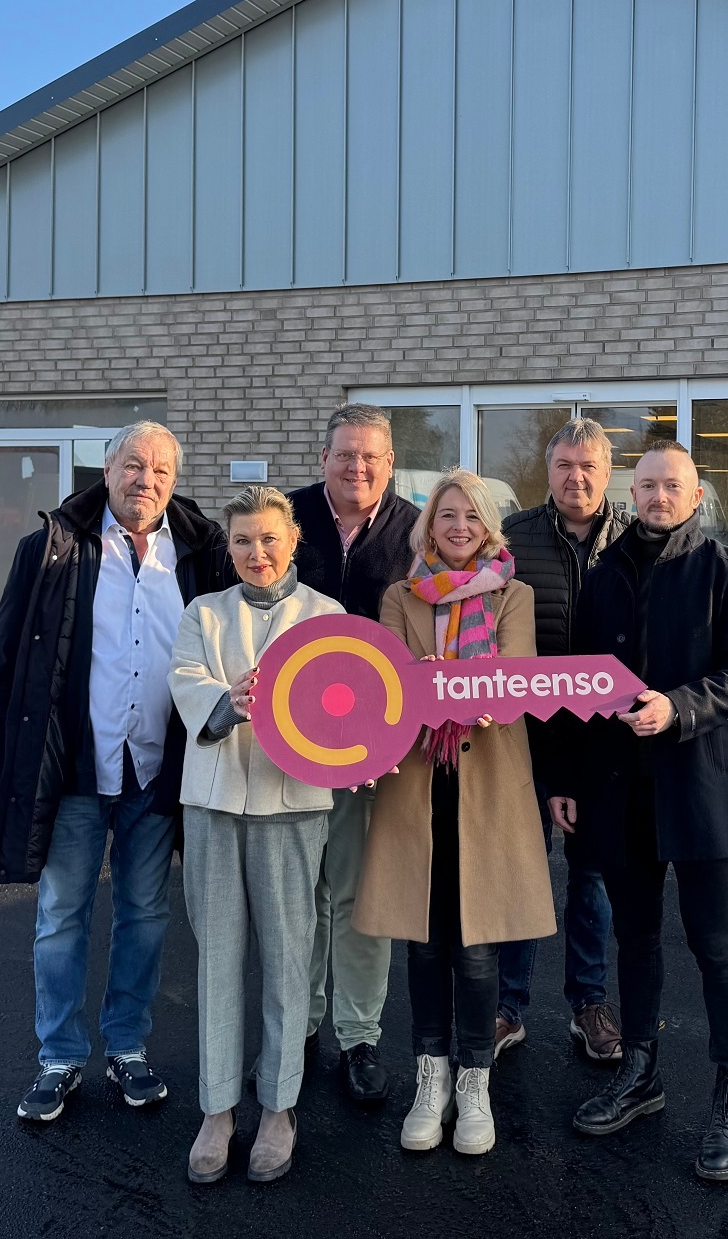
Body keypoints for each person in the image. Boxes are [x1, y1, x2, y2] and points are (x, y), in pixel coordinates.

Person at [0, 421, 228, 1123]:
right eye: (134, 466)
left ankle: (127, 1048)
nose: (147, 481)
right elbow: (1, 665)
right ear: (106, 469)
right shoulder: (52, 547)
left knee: (145, 916)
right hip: (75, 769)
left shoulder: (203, 551)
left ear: (176, 481)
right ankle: (58, 1056)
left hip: (157, 773)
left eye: (162, 471)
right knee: (61, 916)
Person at [550, 440, 728, 1182]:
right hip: (620, 795)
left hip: (700, 789)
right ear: (632, 491)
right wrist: (568, 781)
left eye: (669, 485)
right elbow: (580, 692)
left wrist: (677, 707)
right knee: (636, 941)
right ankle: (640, 1073)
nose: (656, 496)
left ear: (694, 490)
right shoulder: (605, 572)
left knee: (716, 945)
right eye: (644, 486)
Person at [354, 469, 556, 1157]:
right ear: (428, 527)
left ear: (489, 527)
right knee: (424, 943)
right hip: (416, 787)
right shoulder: (400, 597)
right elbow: (389, 692)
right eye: (447, 516)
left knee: (475, 950)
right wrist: (444, 679)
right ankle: (430, 1077)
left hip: (487, 791)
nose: (460, 527)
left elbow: (508, 689)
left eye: (471, 516)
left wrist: (435, 677)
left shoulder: (514, 596)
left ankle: (475, 1081)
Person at [169, 486, 343, 1185]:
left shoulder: (327, 616)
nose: (256, 553)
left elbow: (345, 707)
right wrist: (227, 703)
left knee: (287, 959)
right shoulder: (202, 613)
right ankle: (217, 1107)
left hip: (293, 807)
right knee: (217, 957)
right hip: (212, 803)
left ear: (293, 541)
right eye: (243, 541)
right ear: (229, 546)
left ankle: (279, 1105)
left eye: (269, 539)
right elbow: (186, 683)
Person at [287, 404, 423, 1107]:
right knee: (301, 895)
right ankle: (301, 1027)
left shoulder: (415, 531)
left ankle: (360, 1035)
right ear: (324, 457)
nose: (358, 468)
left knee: (359, 896)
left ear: (390, 464)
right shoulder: (290, 519)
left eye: (371, 457)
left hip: (376, 750)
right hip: (287, 746)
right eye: (345, 455)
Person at [494, 418, 629, 1065]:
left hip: (603, 752)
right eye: (564, 465)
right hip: (526, 747)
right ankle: (507, 1007)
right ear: (547, 472)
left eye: (588, 467)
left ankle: (589, 1003)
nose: (575, 477)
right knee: (521, 877)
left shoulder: (636, 542)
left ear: (607, 474)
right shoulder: (512, 540)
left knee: (591, 881)